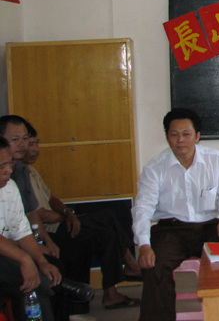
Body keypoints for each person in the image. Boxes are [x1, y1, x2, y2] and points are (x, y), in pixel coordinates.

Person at [132, 108, 219, 321]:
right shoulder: (155, 168)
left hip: (209, 226)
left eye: (186, 134)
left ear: (197, 136)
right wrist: (143, 244)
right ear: (167, 137)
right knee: (154, 266)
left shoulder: (215, 160)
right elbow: (142, 208)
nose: (180, 140)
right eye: (174, 134)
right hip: (171, 229)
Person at [23, 122, 141, 310]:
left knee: (107, 234)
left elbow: (51, 198)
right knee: (107, 216)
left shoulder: (32, 171)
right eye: (30, 144)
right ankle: (131, 264)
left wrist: (67, 212)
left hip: (61, 223)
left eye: (37, 143)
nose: (36, 149)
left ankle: (111, 294)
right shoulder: (19, 175)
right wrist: (68, 218)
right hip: (48, 234)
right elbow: (42, 215)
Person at [0, 136, 62, 321]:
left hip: (6, 257)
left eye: (10, 163)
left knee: (36, 278)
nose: (9, 170)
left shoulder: (9, 187)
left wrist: (41, 262)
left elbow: (22, 231)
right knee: (30, 276)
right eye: (2, 166)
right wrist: (25, 259)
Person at [0, 115, 60, 259]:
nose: (22, 144)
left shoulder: (21, 171)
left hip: (22, 239)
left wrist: (47, 243)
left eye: (25, 139)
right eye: (15, 139)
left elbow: (30, 216)